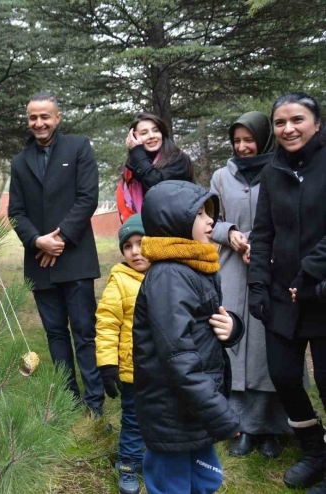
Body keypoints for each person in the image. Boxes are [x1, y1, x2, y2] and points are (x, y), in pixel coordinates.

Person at [133, 180, 243, 494]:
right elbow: (178, 356)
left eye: (211, 213)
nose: (211, 221)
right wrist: (220, 413)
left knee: (206, 480)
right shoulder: (169, 276)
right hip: (173, 409)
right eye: (200, 214)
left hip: (194, 406)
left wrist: (233, 327)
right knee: (173, 484)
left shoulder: (196, 267)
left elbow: (209, 323)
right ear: (174, 221)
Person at [8, 91, 104, 416]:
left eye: (45, 116)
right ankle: (69, 399)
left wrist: (59, 239)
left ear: (57, 117)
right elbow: (16, 213)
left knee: (84, 331)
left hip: (75, 258)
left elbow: (87, 197)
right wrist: (37, 241)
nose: (39, 123)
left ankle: (94, 401)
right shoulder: (19, 163)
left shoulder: (78, 148)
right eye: (33, 117)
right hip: (39, 263)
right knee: (55, 334)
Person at [248, 92, 326, 492]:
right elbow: (262, 234)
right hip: (281, 295)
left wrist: (310, 272)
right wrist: (258, 284)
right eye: (280, 123)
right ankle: (315, 449)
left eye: (297, 119)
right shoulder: (273, 170)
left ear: (316, 122)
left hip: (321, 291)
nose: (288, 129)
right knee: (284, 376)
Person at [210, 111, 289, 459]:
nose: (242, 147)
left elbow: (289, 218)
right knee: (235, 345)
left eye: (249, 140)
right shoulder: (220, 176)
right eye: (236, 141)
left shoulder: (282, 170)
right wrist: (229, 233)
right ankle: (240, 426)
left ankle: (274, 427)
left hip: (273, 269)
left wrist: (261, 247)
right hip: (231, 269)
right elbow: (208, 218)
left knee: (268, 346)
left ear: (264, 139)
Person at [95, 214, 149, 494]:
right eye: (128, 246)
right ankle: (128, 465)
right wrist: (107, 365)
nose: (135, 251)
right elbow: (106, 324)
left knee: (161, 419)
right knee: (133, 420)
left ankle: (155, 460)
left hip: (164, 370)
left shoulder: (167, 275)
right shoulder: (119, 281)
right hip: (133, 370)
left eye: (141, 243)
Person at [116, 112, 194, 222]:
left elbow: (155, 184)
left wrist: (137, 153)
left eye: (156, 130)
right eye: (144, 133)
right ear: (133, 138)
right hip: (142, 231)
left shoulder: (178, 159)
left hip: (175, 227)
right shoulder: (130, 170)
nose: (152, 136)